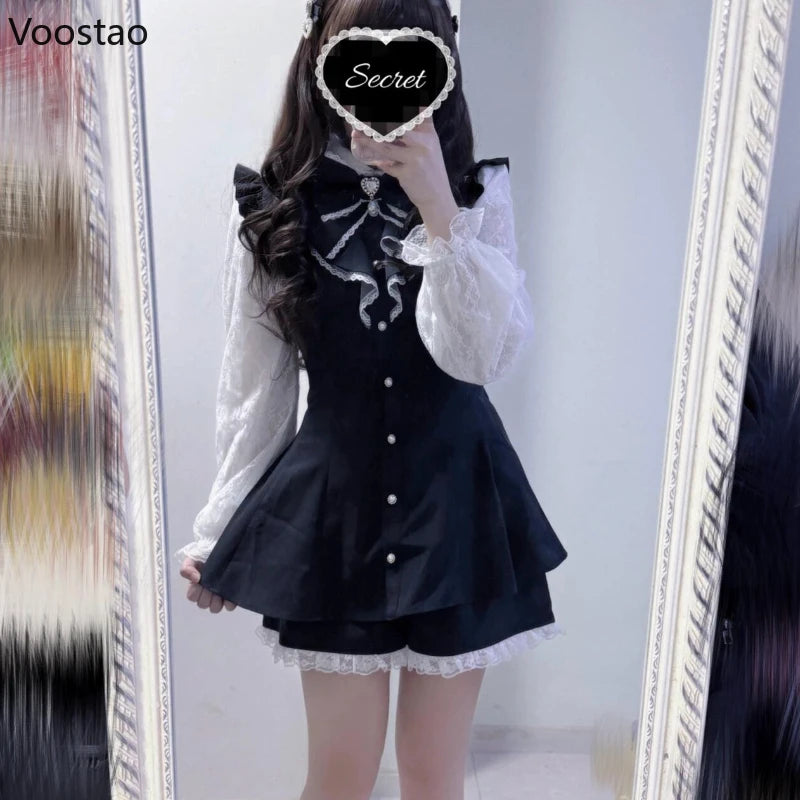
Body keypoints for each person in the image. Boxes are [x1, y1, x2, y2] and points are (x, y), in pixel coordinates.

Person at [175, 1, 568, 798]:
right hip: (335, 516)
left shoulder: (476, 194)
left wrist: (438, 208)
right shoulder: (274, 205)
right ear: (324, 61)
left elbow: (483, 358)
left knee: (433, 781)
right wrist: (219, 528)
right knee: (338, 779)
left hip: (459, 507)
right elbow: (255, 385)